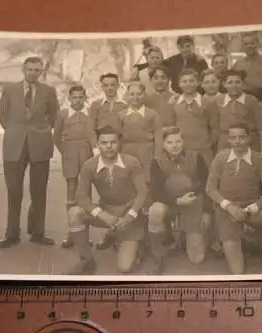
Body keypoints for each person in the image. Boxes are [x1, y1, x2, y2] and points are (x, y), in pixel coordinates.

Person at [206, 123, 262, 274]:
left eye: (241, 137)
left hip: (251, 209)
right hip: (228, 212)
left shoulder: (258, 159)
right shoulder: (221, 158)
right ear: (228, 140)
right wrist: (229, 206)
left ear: (248, 138)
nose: (237, 141)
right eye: (233, 138)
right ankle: (245, 241)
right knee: (238, 272)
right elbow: (210, 189)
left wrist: (252, 208)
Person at [65, 125, 148, 274]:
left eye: (113, 142)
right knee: (74, 213)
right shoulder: (89, 165)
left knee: (124, 267)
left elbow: (143, 191)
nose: (109, 146)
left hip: (129, 215)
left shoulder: (131, 162)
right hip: (106, 211)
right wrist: (101, 214)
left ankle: (136, 243)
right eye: (104, 143)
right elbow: (81, 195)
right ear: (97, 144)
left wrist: (131, 215)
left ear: (119, 143)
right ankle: (86, 259)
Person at [0, 57, 58, 248]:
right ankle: (11, 234)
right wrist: (16, 131)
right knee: (14, 191)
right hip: (14, 146)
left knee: (39, 191)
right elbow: (2, 116)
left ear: (41, 72)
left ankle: (37, 232)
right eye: (30, 69)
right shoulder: (9, 89)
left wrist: (40, 131)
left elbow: (54, 116)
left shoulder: (48, 91)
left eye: (37, 70)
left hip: (40, 145)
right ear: (23, 69)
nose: (33, 73)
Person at [147, 127, 212, 274]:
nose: (175, 145)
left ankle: (184, 236)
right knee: (155, 210)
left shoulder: (196, 157)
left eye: (178, 141)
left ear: (183, 141)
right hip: (171, 203)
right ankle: (157, 255)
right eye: (170, 142)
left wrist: (206, 211)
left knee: (197, 258)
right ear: (163, 144)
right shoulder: (157, 161)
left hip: (192, 204)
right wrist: (176, 201)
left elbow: (206, 185)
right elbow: (155, 191)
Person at [54, 84, 93, 249]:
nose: (77, 101)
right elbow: (56, 137)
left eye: (81, 97)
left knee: (86, 192)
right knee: (71, 190)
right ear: (69, 99)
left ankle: (85, 235)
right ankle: (71, 233)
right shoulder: (63, 114)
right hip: (69, 153)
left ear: (85, 98)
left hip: (86, 152)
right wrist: (66, 152)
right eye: (74, 97)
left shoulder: (90, 113)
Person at [170, 68, 219, 167]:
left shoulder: (208, 103)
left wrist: (207, 144)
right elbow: (171, 127)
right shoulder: (174, 103)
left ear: (198, 83)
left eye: (191, 81)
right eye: (184, 81)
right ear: (179, 84)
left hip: (203, 150)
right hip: (182, 150)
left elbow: (215, 128)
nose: (188, 84)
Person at [217, 69, 262, 156]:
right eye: (230, 82)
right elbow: (214, 127)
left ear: (243, 84)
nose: (234, 85)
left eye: (237, 82)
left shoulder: (251, 100)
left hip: (249, 144)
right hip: (226, 145)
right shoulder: (218, 101)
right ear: (224, 84)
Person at [120, 81, 163, 182]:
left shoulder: (152, 114)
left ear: (144, 94)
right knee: (130, 178)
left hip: (147, 151)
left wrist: (157, 155)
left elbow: (158, 136)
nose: (135, 97)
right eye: (132, 94)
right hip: (128, 150)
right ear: (128, 95)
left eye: (139, 94)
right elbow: (118, 137)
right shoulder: (122, 115)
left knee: (147, 178)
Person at [86, 73, 127, 154]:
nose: (109, 88)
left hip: (120, 146)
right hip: (101, 146)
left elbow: (127, 129)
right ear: (102, 87)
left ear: (118, 86)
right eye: (106, 85)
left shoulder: (124, 105)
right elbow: (90, 128)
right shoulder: (96, 105)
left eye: (112, 85)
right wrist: (95, 146)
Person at [232, 32, 262, 101]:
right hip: (244, 98)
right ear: (243, 47)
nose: (249, 46)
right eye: (246, 44)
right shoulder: (238, 63)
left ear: (257, 44)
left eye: (252, 43)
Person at [143, 65, 177, 130]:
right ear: (150, 80)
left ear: (169, 79)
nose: (160, 81)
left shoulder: (177, 98)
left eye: (163, 78)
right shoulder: (145, 100)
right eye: (156, 78)